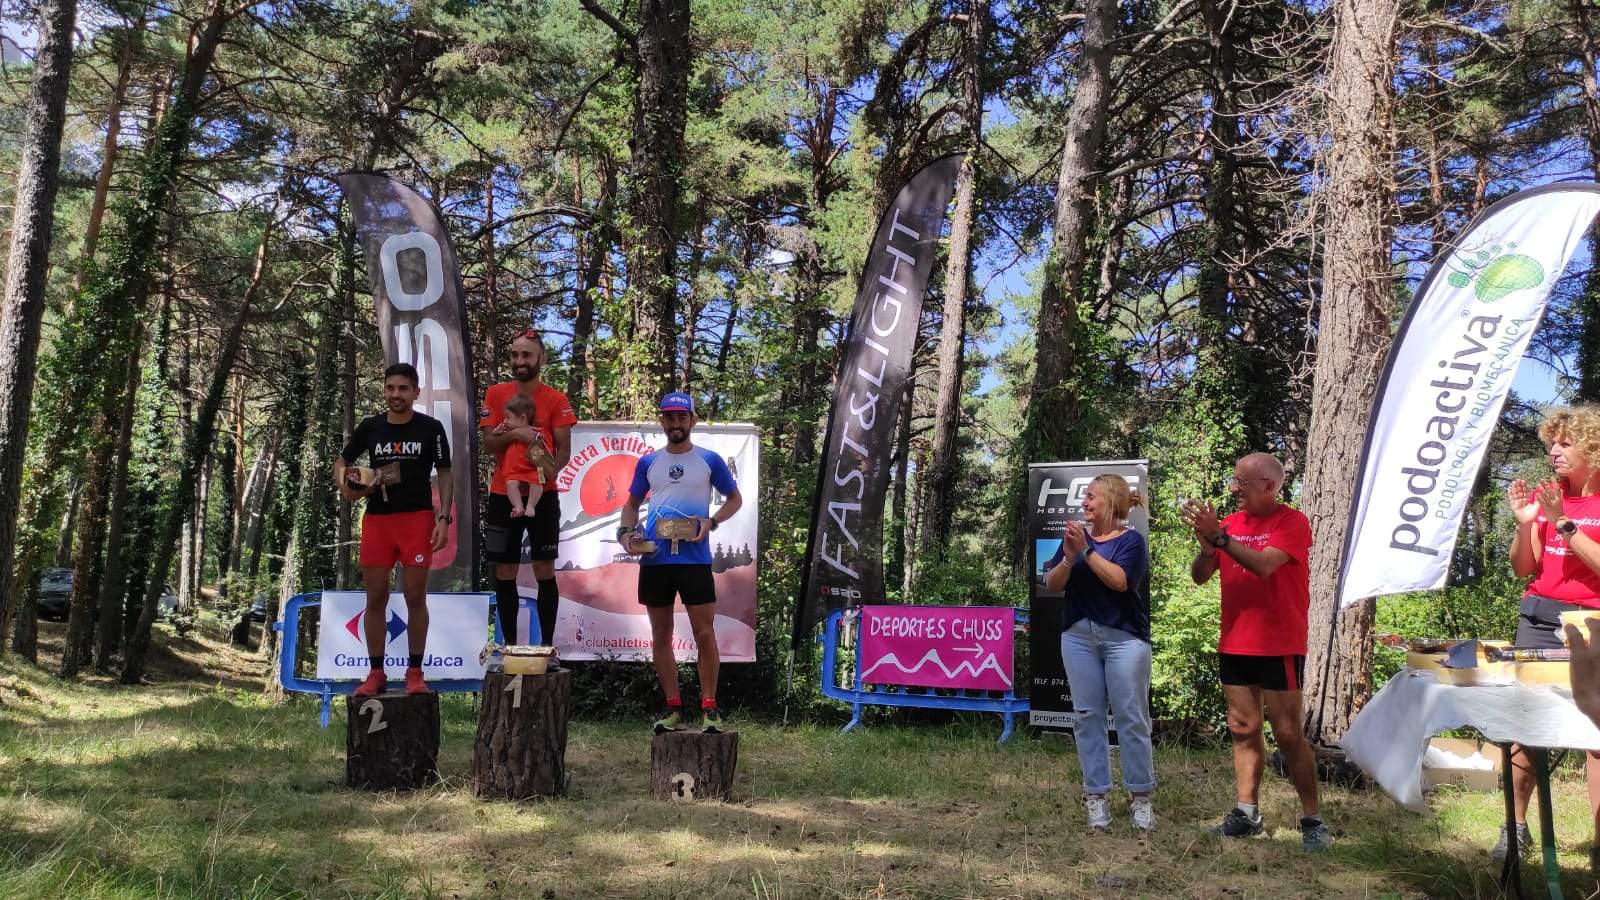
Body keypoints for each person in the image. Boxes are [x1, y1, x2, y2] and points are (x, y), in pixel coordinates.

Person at [1180, 452, 1331, 852]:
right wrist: (1209, 548)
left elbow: (1265, 566)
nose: (1234, 489)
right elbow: (1199, 577)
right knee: (1243, 730)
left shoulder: (1292, 522)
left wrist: (1221, 539)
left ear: (1269, 485)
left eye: (1242, 483)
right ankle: (1247, 812)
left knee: (1287, 733)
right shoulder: (1229, 524)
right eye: (1234, 481)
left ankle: (1312, 819)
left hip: (1278, 643)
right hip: (1235, 641)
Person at [1501, 407, 1600, 869]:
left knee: (1596, 732)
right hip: (1540, 616)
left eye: (1564, 443)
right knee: (1528, 723)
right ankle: (1515, 828)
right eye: (1551, 444)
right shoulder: (1547, 496)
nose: (1554, 452)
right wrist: (1526, 522)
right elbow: (1525, 567)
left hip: (1592, 624)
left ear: (1592, 448)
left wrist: (1565, 524)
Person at [618, 392, 743, 734]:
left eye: (681, 417)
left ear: (693, 420)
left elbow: (735, 500)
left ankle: (709, 708)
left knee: (704, 633)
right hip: (656, 559)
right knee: (661, 634)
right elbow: (630, 504)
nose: (675, 423)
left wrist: (711, 523)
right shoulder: (648, 462)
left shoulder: (709, 460)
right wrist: (626, 533)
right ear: (662, 421)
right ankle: (673, 708)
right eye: (669, 417)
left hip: (695, 560)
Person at [1042, 474, 1154, 832]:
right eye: (1084, 497)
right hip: (1077, 638)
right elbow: (1053, 584)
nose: (1084, 503)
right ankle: (1096, 796)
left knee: (1131, 718)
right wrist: (1068, 558)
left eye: (1091, 496)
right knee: (1087, 715)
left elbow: (1120, 581)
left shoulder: (1131, 541)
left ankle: (1141, 799)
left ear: (1110, 501)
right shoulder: (1075, 538)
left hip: (1125, 640)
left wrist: (1086, 552)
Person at [335, 362, 453, 697]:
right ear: (384, 390)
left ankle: (415, 673)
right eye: (390, 388)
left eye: (403, 388)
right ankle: (375, 673)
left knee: (416, 596)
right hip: (378, 520)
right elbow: (342, 462)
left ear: (415, 392)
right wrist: (347, 486)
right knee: (376, 597)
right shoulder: (372, 427)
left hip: (417, 519)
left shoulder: (431, 428)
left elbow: (445, 473)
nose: (395, 394)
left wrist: (444, 518)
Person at [480, 329, 576, 646]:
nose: (519, 361)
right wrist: (518, 436)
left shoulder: (556, 399)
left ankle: (547, 646)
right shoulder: (496, 393)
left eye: (526, 355)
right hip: (502, 495)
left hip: (542, 497)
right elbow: (488, 444)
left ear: (541, 359)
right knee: (504, 571)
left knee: (544, 568)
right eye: (515, 355)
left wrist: (544, 475)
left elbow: (563, 450)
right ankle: (508, 647)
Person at [498, 394, 548, 519]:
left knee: (538, 482)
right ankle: (518, 506)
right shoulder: (508, 432)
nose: (505, 421)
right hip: (513, 470)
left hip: (532, 467)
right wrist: (497, 432)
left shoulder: (535, 431)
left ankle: (531, 505)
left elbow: (544, 441)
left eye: (508, 418)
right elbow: (495, 440)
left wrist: (540, 439)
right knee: (511, 484)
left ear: (522, 418)